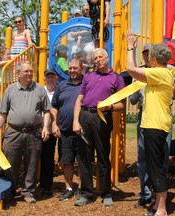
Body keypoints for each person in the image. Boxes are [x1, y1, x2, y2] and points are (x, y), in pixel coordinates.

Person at [126, 29, 174, 216]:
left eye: (150, 56)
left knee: (156, 168)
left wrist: (130, 47)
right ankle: (157, 205)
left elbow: (130, 68)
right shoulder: (162, 73)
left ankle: (161, 208)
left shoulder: (160, 73)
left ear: (154, 60)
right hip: (153, 124)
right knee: (155, 166)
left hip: (155, 125)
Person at [0, 61, 50, 204]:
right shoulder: (10, 90)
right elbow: (3, 113)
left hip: (34, 132)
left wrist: (46, 126)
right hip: (13, 132)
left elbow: (46, 110)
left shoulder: (40, 89)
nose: (29, 74)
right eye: (26, 71)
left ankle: (28, 192)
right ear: (18, 73)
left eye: (31, 71)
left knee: (32, 163)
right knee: (10, 163)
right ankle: (9, 190)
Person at [73, 48, 125, 207]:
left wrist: (108, 108)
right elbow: (79, 99)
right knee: (84, 157)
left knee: (103, 156)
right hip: (85, 116)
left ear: (107, 58)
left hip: (102, 118)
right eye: (95, 58)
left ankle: (106, 193)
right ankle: (87, 193)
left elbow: (122, 105)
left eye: (100, 57)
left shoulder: (116, 78)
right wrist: (76, 120)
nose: (97, 60)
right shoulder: (88, 76)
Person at [51, 58, 83, 202]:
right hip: (65, 131)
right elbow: (54, 106)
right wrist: (53, 124)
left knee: (83, 161)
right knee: (67, 161)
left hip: (83, 131)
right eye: (70, 68)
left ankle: (82, 189)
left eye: (75, 68)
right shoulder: (62, 85)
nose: (72, 70)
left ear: (81, 69)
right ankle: (69, 188)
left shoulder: (86, 84)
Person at [128, 44, 153, 209]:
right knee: (142, 157)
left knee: (160, 157)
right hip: (143, 114)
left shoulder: (166, 70)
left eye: (150, 54)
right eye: (145, 54)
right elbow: (132, 100)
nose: (147, 57)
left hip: (160, 115)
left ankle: (159, 195)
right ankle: (145, 194)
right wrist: (136, 88)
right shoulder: (137, 73)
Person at [39, 69, 58, 197]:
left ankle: (46, 185)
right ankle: (34, 182)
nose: (50, 79)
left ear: (56, 78)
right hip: (37, 129)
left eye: (52, 77)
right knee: (34, 157)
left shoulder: (59, 91)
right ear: (44, 79)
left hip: (52, 130)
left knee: (48, 158)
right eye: (48, 77)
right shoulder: (40, 91)